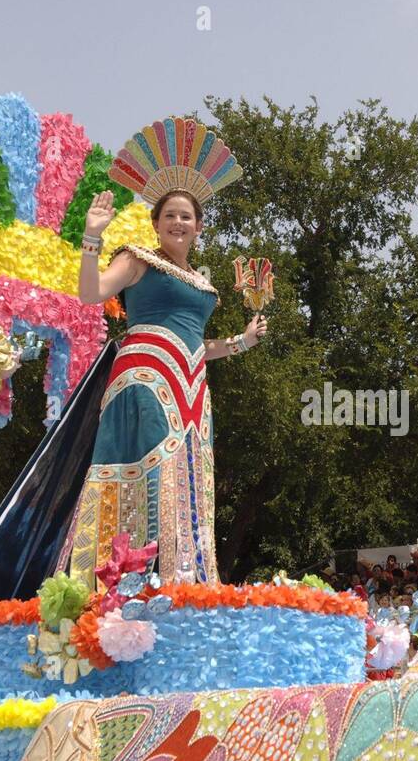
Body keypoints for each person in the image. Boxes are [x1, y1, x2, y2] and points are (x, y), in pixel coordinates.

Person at [55, 118, 265, 590]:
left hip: (192, 385)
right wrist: (94, 238)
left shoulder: (203, 282)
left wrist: (241, 342)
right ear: (156, 223)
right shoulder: (136, 259)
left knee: (191, 474)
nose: (177, 222)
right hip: (145, 376)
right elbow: (91, 293)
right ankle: (123, 582)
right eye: (168, 215)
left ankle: (185, 582)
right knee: (149, 467)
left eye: (186, 216)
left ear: (199, 226)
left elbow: (196, 344)